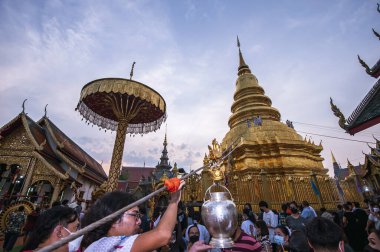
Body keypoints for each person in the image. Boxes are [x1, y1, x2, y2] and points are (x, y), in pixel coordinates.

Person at [81, 180, 185, 251]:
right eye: (135, 215)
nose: (139, 221)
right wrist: (174, 201)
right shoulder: (105, 245)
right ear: (114, 219)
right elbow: (163, 234)